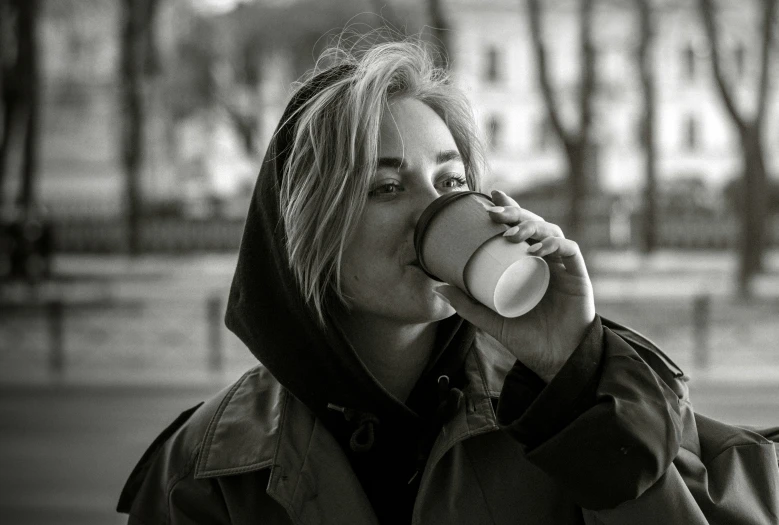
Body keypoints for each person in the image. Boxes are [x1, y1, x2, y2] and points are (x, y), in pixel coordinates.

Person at [117, 40, 779, 524]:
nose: (435, 210)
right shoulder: (205, 466)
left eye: (451, 182)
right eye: (384, 186)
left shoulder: (587, 412)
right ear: (307, 226)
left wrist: (576, 380)